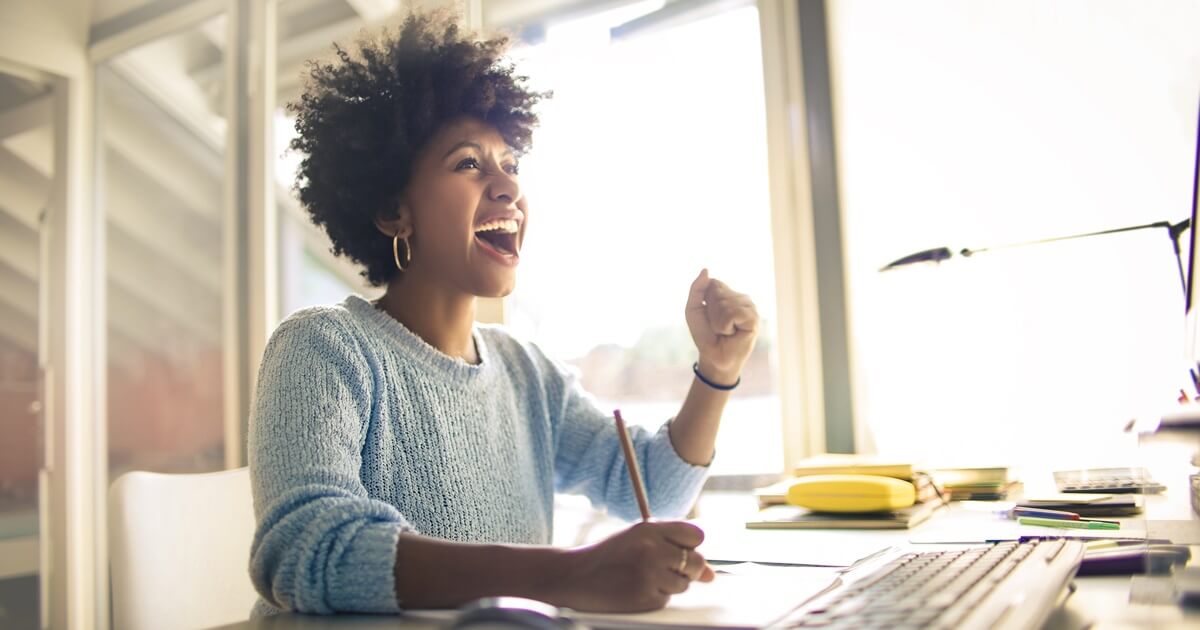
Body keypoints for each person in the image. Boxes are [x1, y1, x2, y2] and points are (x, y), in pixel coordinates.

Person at [248, 9, 760, 616]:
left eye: (510, 165)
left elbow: (651, 489)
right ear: (392, 210)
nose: (508, 188)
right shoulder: (323, 349)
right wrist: (567, 575)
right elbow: (306, 550)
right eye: (469, 163)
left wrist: (717, 371)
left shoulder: (525, 373)